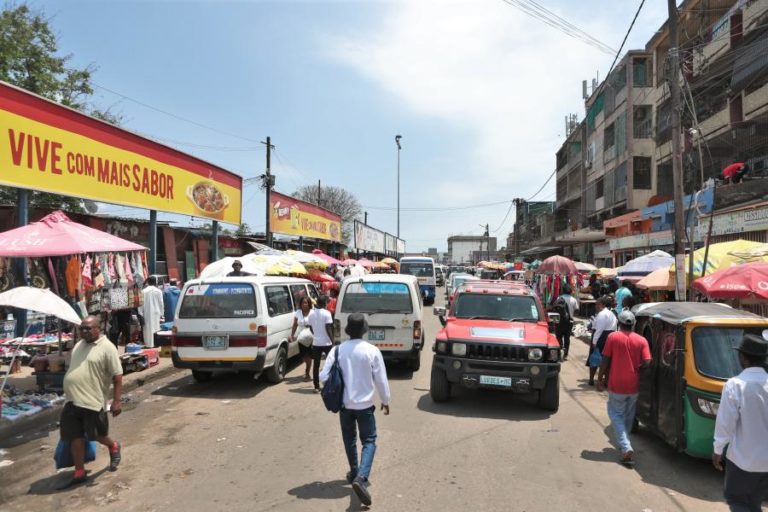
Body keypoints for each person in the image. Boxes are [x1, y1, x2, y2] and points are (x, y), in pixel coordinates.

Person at [320, 313, 390, 507]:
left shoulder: (337, 350)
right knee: (369, 440)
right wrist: (385, 400)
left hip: (344, 405)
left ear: (349, 331)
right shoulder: (372, 351)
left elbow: (323, 376)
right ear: (364, 330)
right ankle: (361, 477)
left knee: (349, 439)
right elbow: (381, 380)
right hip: (365, 406)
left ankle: (354, 471)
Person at [59, 315, 123, 487]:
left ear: (98, 329)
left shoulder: (107, 347)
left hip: (92, 401)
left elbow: (117, 376)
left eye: (88, 328)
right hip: (71, 400)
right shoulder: (79, 345)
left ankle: (113, 445)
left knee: (97, 435)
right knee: (75, 436)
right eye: (82, 328)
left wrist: (117, 401)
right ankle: (79, 472)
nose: (84, 331)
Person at [712, 334, 768, 512]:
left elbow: (725, 423)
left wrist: (718, 450)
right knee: (755, 504)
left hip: (742, 461)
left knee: (738, 503)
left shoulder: (735, 385)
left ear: (743, 357)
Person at [596, 310, 651, 466]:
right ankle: (625, 446)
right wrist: (637, 371)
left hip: (616, 384)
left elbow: (605, 359)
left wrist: (599, 379)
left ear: (619, 324)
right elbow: (647, 362)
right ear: (634, 324)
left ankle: (626, 447)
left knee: (615, 414)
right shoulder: (642, 340)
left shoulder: (613, 337)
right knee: (628, 416)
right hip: (634, 385)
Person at [587, 296, 617, 386]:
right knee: (607, 360)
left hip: (601, 338)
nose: (596, 306)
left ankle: (592, 379)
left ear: (602, 305)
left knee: (594, 358)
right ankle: (606, 381)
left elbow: (599, 329)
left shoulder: (602, 314)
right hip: (610, 337)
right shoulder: (611, 314)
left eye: (598, 304)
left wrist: (594, 342)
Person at [308, 295, 335, 392]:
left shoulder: (311, 314)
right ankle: (330, 384)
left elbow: (311, 328)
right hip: (327, 343)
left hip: (316, 343)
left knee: (316, 365)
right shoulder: (327, 313)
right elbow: (328, 329)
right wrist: (333, 341)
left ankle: (316, 386)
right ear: (325, 303)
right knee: (331, 364)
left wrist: (316, 335)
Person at [290, 296, 314, 381]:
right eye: (303, 303)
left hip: (311, 337)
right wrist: (292, 335)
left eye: (306, 303)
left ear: (309, 304)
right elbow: (295, 324)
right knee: (303, 356)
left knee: (309, 356)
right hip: (301, 338)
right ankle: (307, 368)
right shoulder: (298, 312)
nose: (304, 304)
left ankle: (307, 373)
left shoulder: (312, 313)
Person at [553, 284, 579, 360]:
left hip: (559, 321)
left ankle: (559, 350)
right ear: (570, 291)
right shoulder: (573, 300)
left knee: (558, 337)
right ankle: (565, 353)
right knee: (567, 338)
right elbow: (577, 310)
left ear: (562, 290)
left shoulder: (559, 298)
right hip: (569, 322)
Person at [140, 276, 164, 348]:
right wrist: (162, 313)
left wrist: (140, 313)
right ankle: (156, 343)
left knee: (148, 328)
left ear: (148, 282)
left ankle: (149, 344)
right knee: (156, 327)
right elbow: (161, 303)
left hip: (147, 312)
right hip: (156, 312)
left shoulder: (143, 291)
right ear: (155, 282)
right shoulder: (159, 291)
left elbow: (141, 303)